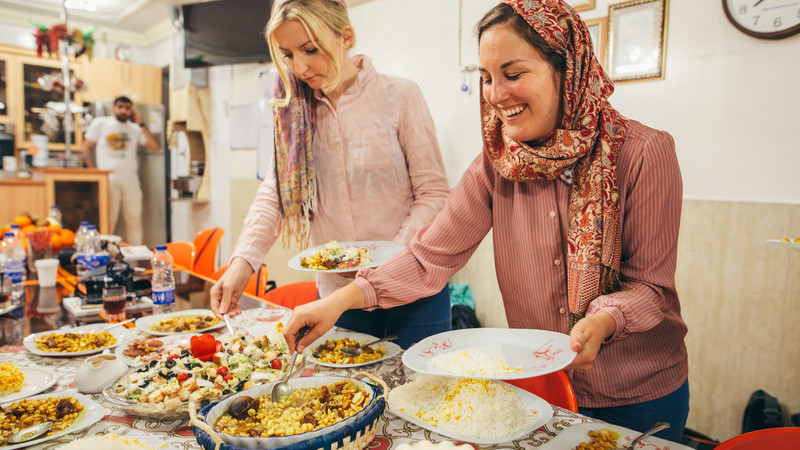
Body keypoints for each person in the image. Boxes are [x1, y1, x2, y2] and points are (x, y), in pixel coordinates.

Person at [284, 0, 689, 442]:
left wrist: (606, 318)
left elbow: (651, 286)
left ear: (566, 69)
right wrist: (338, 301)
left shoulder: (643, 153)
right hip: (543, 386)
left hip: (636, 391)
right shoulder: (496, 165)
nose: (495, 94)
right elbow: (428, 258)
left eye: (513, 74)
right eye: (486, 78)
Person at [210, 0, 452, 349]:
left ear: (346, 37)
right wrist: (241, 265)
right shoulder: (294, 114)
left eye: (310, 49)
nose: (300, 66)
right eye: (288, 54)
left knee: (420, 395)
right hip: (340, 297)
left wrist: (390, 261)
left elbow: (433, 193)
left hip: (414, 287)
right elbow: (274, 194)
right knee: (351, 396)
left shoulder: (399, 96)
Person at [82, 96, 160, 245]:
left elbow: (154, 146)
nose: (123, 110)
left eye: (127, 108)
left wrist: (141, 122)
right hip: (109, 181)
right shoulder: (101, 124)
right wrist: (93, 173)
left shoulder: (135, 129)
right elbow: (86, 148)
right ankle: (107, 257)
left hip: (131, 181)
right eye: (120, 106)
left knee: (135, 222)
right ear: (114, 107)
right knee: (108, 222)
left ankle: (135, 261)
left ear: (132, 110)